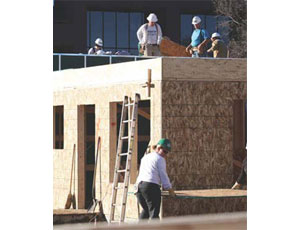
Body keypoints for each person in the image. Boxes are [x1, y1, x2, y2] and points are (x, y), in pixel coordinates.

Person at [135, 138, 176, 220]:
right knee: (154, 214)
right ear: (158, 148)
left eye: (167, 152)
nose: (165, 154)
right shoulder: (160, 159)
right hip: (150, 186)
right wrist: (169, 189)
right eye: (164, 151)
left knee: (146, 210)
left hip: (139, 188)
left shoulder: (146, 157)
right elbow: (163, 175)